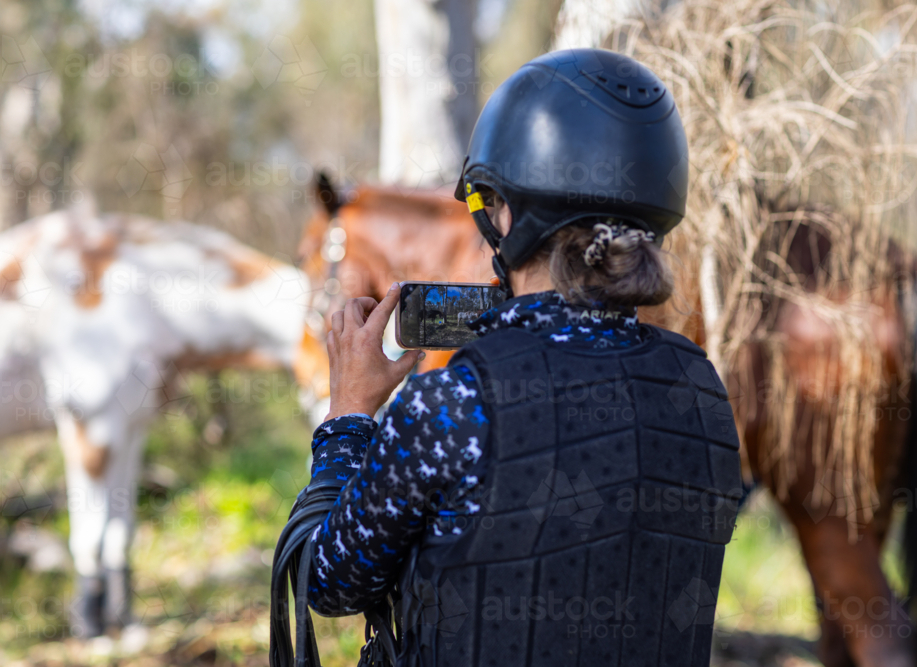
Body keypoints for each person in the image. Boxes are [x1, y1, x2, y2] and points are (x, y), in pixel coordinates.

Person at [281, 48, 742, 667]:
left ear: (502, 213)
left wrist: (349, 415)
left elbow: (329, 582)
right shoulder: (701, 388)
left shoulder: (453, 405)